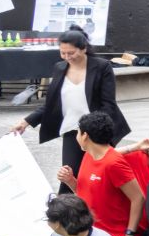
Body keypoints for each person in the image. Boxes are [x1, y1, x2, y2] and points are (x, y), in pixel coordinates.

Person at [10, 27, 130, 181]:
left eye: (71, 53)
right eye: (63, 53)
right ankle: (66, 198)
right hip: (71, 129)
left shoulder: (101, 67)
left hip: (97, 130)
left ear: (83, 48)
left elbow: (108, 104)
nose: (67, 57)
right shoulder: (60, 68)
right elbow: (51, 103)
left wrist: (94, 131)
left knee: (98, 178)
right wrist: (25, 122)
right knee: (69, 177)